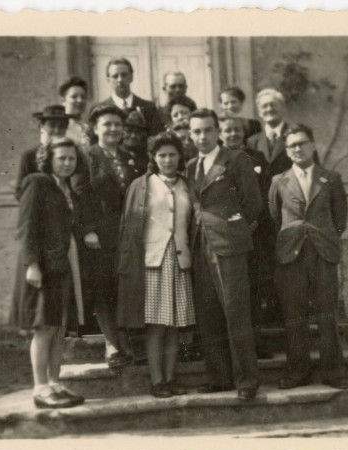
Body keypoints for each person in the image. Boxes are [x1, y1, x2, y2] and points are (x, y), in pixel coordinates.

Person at [9, 137, 94, 408]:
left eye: (71, 158)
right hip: (43, 267)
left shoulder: (64, 188)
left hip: (61, 265)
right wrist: (32, 264)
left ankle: (55, 383)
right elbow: (26, 226)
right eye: (62, 158)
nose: (68, 163)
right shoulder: (37, 182)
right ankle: (40, 388)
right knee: (44, 328)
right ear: (49, 160)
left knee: (58, 329)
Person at [186, 108, 262, 401]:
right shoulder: (192, 164)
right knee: (208, 315)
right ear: (191, 135)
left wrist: (234, 231)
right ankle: (219, 377)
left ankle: (247, 380)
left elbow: (253, 204)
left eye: (207, 130)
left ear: (217, 131)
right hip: (200, 245)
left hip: (229, 246)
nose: (202, 136)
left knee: (235, 312)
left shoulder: (236, 159)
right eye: (196, 132)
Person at [268, 124, 348, 390]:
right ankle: (298, 371)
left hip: (323, 252)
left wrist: (321, 237)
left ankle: (333, 372)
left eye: (302, 143)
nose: (297, 149)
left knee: (327, 314)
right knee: (295, 315)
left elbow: (340, 219)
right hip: (291, 254)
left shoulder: (331, 178)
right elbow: (275, 217)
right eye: (292, 145)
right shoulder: (279, 181)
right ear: (287, 151)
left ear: (313, 146)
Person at [117, 132, 196, 398]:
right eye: (161, 155)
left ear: (179, 156)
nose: (167, 159)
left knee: (175, 324)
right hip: (153, 261)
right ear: (153, 157)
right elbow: (129, 227)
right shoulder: (142, 185)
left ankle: (171, 379)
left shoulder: (187, 184)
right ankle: (157, 380)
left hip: (180, 260)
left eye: (172, 154)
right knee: (156, 325)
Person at [72, 104, 141, 369]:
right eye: (107, 124)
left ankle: (126, 343)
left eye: (117, 124)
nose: (113, 129)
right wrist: (88, 229)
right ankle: (113, 345)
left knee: (123, 288)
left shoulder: (130, 157)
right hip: (99, 235)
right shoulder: (87, 157)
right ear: (95, 128)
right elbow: (80, 194)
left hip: (128, 233)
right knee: (104, 291)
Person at [219, 113, 276, 360]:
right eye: (227, 130)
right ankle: (231, 344)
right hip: (226, 234)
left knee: (253, 286)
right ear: (220, 134)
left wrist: (251, 223)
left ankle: (257, 339)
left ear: (244, 133)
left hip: (254, 232)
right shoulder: (216, 160)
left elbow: (264, 195)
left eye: (236, 130)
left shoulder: (257, 158)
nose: (232, 134)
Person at [91, 57, 163, 136]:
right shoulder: (99, 109)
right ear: (108, 80)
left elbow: (156, 139)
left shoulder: (149, 107)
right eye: (115, 76)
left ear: (131, 77)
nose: (120, 80)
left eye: (124, 75)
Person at [14, 105, 72, 200]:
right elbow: (19, 193)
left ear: (66, 128)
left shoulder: (72, 154)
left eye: (61, 126)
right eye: (52, 125)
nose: (57, 130)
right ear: (42, 127)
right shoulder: (29, 155)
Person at [246, 88, 293, 178]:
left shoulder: (296, 135)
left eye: (273, 105)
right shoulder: (252, 142)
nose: (269, 109)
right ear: (259, 112)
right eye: (264, 106)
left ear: (283, 108)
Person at [59, 76, 93, 155]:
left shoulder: (87, 128)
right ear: (63, 100)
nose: (80, 100)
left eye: (83, 97)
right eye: (74, 97)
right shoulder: (61, 128)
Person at [122, 110, 150, 174]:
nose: (133, 136)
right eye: (129, 131)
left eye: (138, 132)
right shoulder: (116, 154)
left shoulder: (147, 156)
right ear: (122, 132)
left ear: (143, 135)